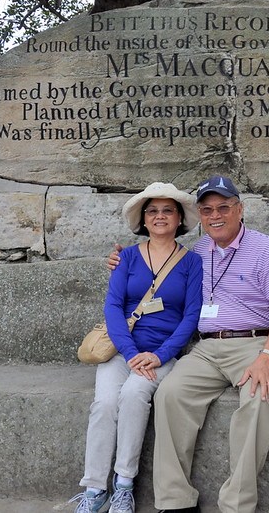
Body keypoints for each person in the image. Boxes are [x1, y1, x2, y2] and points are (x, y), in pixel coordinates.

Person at [109, 175, 269, 513]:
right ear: (200, 215)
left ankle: (236, 504)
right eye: (207, 210)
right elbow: (152, 267)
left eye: (224, 207)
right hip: (207, 348)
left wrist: (268, 356)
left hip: (256, 344)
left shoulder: (265, 249)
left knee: (259, 399)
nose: (215, 215)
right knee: (169, 394)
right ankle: (175, 501)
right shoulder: (197, 252)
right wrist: (120, 261)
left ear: (240, 209)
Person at [71, 182, 203, 513]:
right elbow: (113, 306)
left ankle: (123, 486)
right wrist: (130, 354)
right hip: (122, 351)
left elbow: (191, 317)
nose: (160, 216)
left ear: (179, 219)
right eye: (153, 210)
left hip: (161, 353)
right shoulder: (126, 257)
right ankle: (94, 488)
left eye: (167, 210)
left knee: (133, 396)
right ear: (144, 219)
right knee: (103, 404)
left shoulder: (191, 263)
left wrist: (159, 355)